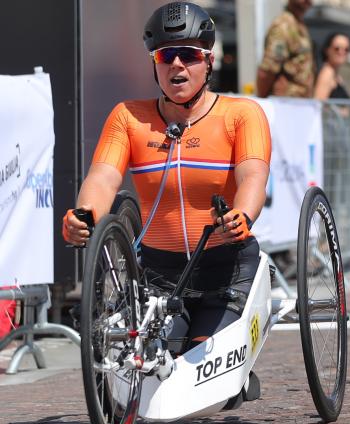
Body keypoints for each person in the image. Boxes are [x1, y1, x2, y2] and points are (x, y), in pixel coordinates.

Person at [62, 2, 270, 397]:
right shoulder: (127, 117)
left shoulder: (242, 114)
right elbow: (104, 177)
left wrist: (243, 213)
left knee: (203, 389)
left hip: (225, 270)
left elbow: (253, 175)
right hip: (158, 278)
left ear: (209, 61)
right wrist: (84, 214)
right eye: (166, 55)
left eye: (189, 55)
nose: (177, 65)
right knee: (148, 376)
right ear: (154, 63)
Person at [256, 0, 314, 98]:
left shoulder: (299, 24)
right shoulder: (283, 25)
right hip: (284, 103)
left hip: (300, 103)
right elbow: (267, 71)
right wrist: (263, 100)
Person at [314, 32, 350, 100]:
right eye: (337, 48)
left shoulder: (335, 75)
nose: (341, 52)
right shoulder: (327, 73)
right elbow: (318, 104)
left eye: (346, 49)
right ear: (327, 50)